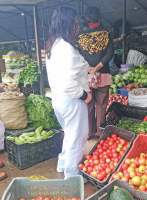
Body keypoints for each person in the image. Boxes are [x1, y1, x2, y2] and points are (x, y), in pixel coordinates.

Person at [46, 6, 92, 179]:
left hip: (59, 97)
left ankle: (63, 164)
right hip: (71, 99)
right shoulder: (65, 48)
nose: (77, 27)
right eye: (75, 23)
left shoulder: (55, 44)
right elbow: (68, 82)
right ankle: (72, 177)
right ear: (68, 24)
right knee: (77, 139)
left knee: (70, 134)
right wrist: (85, 96)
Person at [78, 6, 114, 139]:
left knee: (88, 104)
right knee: (101, 105)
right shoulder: (106, 33)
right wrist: (97, 67)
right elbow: (109, 54)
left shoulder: (80, 36)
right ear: (99, 17)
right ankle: (100, 133)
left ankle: (88, 133)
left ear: (86, 19)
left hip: (86, 76)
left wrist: (89, 68)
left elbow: (78, 56)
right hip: (103, 74)